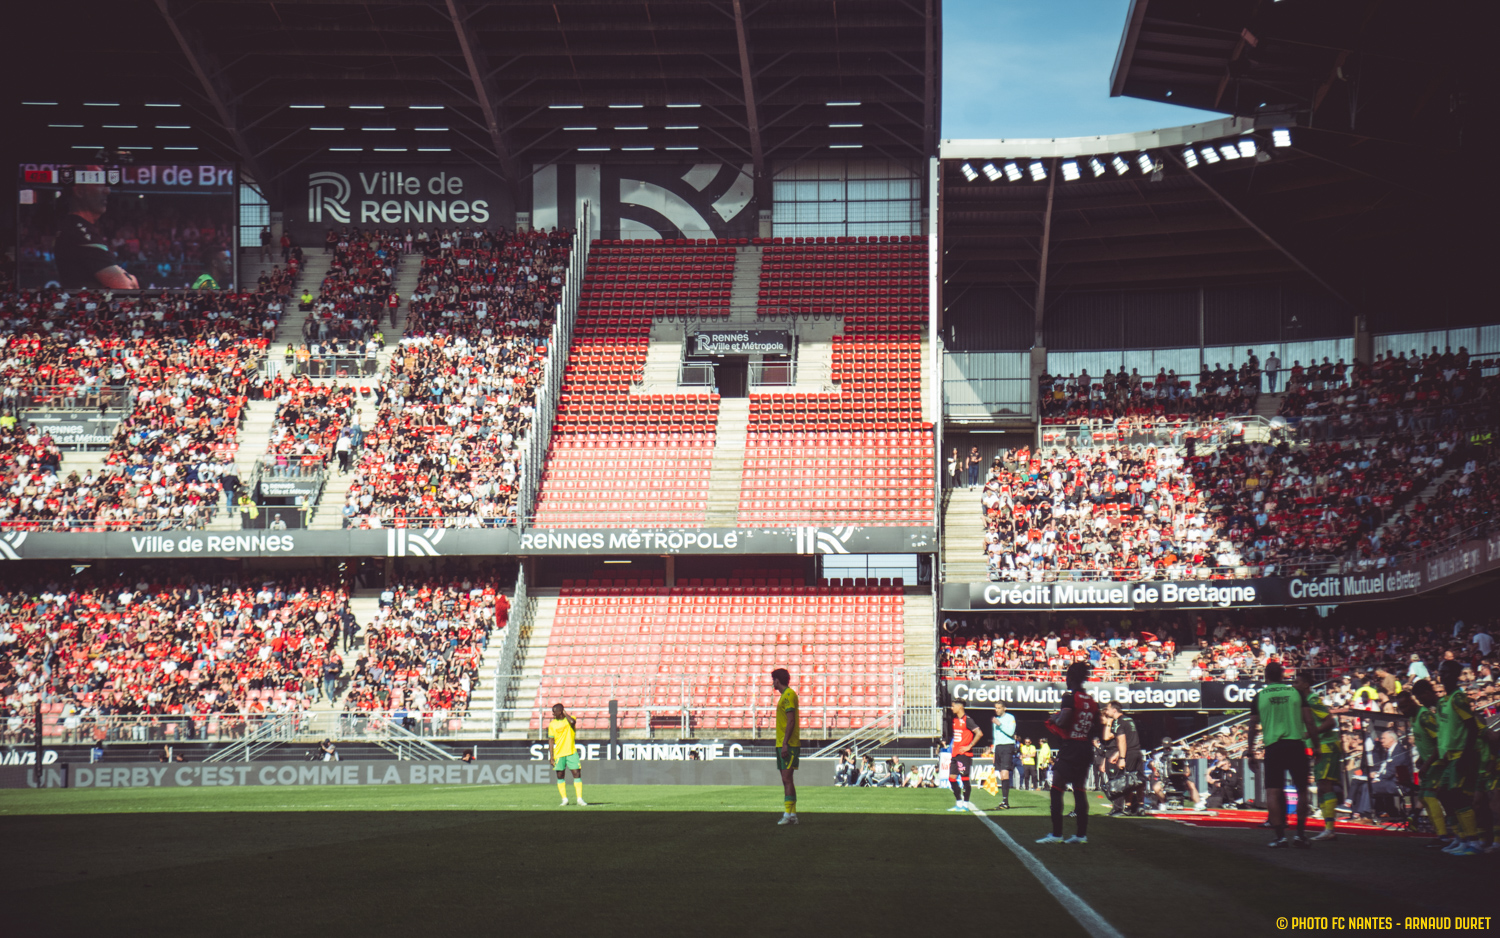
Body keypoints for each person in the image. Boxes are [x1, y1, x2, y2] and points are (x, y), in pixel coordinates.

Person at [1247, 662, 1317, 848]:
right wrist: (1316, 746)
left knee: (1273, 791)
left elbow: (1252, 726)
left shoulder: (1260, 696)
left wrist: (1250, 751)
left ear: (1266, 676)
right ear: (1283, 675)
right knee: (1302, 790)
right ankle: (1300, 835)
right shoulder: (1296, 693)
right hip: (1296, 745)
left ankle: (1280, 837)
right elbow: (1309, 721)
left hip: (1274, 747)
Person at [1036, 662, 1100, 845]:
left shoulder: (1070, 698)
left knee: (1057, 787)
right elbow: (1096, 726)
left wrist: (1054, 718)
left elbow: (1063, 721)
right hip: (1085, 748)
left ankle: (1057, 834)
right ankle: (1081, 835)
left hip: (1071, 747)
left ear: (1070, 678)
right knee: (1079, 789)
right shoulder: (1092, 701)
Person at [53, 169, 139, 289]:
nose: (107, 190)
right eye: (99, 184)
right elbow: (125, 287)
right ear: (79, 191)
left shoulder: (79, 228)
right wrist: (131, 278)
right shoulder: (79, 233)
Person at [1299, 677, 1341, 841]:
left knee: (1325, 785)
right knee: (1322, 786)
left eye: (1297, 682)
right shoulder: (1306, 701)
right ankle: (1328, 827)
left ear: (1306, 684)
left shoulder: (1313, 700)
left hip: (1327, 746)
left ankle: (1330, 829)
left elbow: (1330, 721)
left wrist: (1311, 733)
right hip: (1321, 747)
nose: (1294, 685)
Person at [1102, 701, 1144, 817]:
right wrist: (1117, 754)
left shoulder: (1118, 721)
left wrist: (1121, 757)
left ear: (1114, 710)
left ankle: (1127, 808)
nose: (1107, 712)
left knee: (1126, 781)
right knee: (1139, 780)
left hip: (1129, 754)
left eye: (1108, 709)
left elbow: (1122, 740)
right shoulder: (1129, 719)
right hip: (1137, 752)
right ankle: (1140, 806)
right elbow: (1130, 739)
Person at [772, 668, 799, 825]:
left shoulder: (788, 695)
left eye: (773, 680)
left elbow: (791, 720)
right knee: (787, 780)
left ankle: (788, 815)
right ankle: (792, 814)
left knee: (786, 779)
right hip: (784, 743)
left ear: (777, 680)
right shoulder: (785, 696)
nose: (773, 683)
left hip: (788, 744)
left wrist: (784, 744)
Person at [946, 699, 982, 812]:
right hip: (955, 753)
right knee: (951, 778)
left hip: (964, 754)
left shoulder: (968, 720)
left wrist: (969, 746)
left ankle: (965, 805)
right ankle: (958, 803)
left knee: (964, 779)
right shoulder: (955, 720)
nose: (952, 708)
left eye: (953, 706)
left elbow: (979, 733)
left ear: (960, 707)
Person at [547, 702, 586, 807]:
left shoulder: (570, 719)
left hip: (571, 752)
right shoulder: (552, 724)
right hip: (559, 754)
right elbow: (551, 740)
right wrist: (551, 756)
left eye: (555, 712)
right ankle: (564, 799)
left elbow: (573, 722)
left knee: (576, 774)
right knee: (560, 776)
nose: (553, 714)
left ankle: (579, 799)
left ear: (561, 711)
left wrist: (565, 713)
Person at [989, 701, 1017, 809]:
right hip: (999, 748)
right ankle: (1004, 801)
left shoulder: (1010, 717)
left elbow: (1011, 732)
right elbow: (995, 737)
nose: (997, 710)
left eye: (999, 708)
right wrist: (994, 752)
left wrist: (999, 724)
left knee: (1005, 773)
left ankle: (1005, 801)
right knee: (1001, 774)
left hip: (1007, 746)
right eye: (996, 708)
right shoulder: (996, 720)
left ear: (1004, 708)